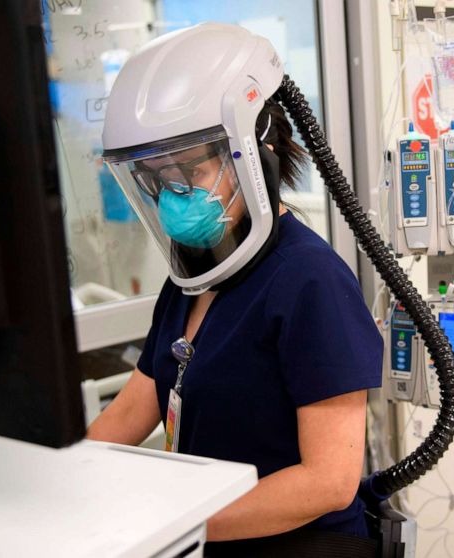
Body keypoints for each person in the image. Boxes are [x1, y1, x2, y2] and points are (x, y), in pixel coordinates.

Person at [88, 24, 382, 557]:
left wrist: (175, 526)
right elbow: (133, 412)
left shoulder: (308, 280)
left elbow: (329, 481)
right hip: (216, 538)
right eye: (157, 176)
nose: (173, 194)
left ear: (256, 150)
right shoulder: (191, 278)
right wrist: (58, 477)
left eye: (191, 169)